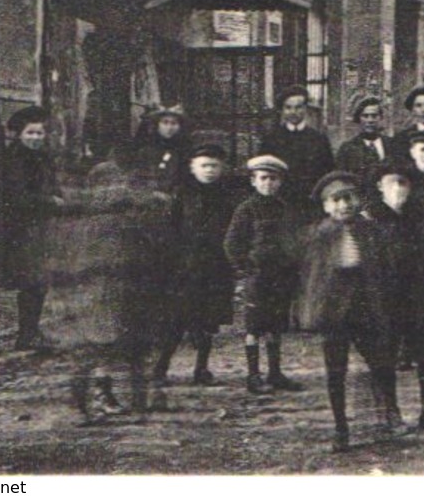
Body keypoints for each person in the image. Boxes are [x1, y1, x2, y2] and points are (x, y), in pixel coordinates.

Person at [51, 139, 173, 423]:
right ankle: (130, 404)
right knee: (130, 350)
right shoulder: (135, 213)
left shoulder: (85, 220)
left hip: (101, 293)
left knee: (95, 351)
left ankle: (90, 405)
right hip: (117, 290)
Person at [297, 172, 402, 452]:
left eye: (348, 198)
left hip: (365, 305)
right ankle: (340, 427)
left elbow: (386, 268)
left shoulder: (371, 231)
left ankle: (389, 410)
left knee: (381, 362)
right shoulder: (320, 234)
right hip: (334, 311)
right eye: (336, 200)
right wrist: (313, 312)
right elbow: (311, 279)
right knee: (336, 370)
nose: (344, 205)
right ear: (326, 206)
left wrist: (385, 303)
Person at [368, 167, 424, 432]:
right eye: (392, 183)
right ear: (380, 186)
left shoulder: (420, 219)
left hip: (417, 296)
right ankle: (389, 412)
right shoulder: (369, 220)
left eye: (403, 183)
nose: (398, 189)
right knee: (385, 355)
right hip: (383, 300)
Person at [154, 145, 238, 389]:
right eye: (204, 165)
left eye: (214, 166)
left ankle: (201, 368)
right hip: (184, 267)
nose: (209, 170)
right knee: (175, 321)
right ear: (193, 167)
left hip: (214, 267)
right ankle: (160, 368)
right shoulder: (182, 194)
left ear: (222, 168)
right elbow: (170, 229)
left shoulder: (227, 197)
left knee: (207, 321)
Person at [224, 155, 302, 395]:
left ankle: (275, 373)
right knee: (254, 327)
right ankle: (253, 375)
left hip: (281, 276)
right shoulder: (246, 209)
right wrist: (245, 268)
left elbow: (294, 239)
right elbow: (232, 242)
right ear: (253, 181)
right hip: (257, 277)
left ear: (280, 182)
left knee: (276, 325)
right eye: (263, 178)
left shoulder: (284, 208)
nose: (268, 183)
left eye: (274, 179)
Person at [0, 105, 62, 353]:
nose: (35, 138)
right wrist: (50, 201)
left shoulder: (43, 158)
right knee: (30, 282)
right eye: (30, 133)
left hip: (42, 227)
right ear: (20, 135)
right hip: (22, 229)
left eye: (39, 133)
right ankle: (26, 335)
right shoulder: (15, 160)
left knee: (40, 282)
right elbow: (18, 197)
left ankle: (31, 331)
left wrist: (58, 196)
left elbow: (52, 186)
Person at [261, 87, 334, 216]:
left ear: (306, 109)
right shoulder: (271, 139)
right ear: (282, 110)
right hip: (280, 204)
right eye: (288, 108)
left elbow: (328, 172)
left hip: (311, 205)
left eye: (298, 107)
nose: (293, 112)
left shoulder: (319, 139)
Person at [334, 96, 404, 210]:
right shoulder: (347, 149)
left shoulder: (393, 145)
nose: (370, 120)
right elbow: (342, 183)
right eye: (365, 116)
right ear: (359, 119)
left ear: (381, 118)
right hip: (359, 209)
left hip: (389, 209)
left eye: (374, 116)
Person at [136, 104, 193, 190]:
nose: (169, 128)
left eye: (174, 123)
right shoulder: (146, 151)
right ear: (157, 125)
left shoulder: (187, 150)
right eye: (165, 122)